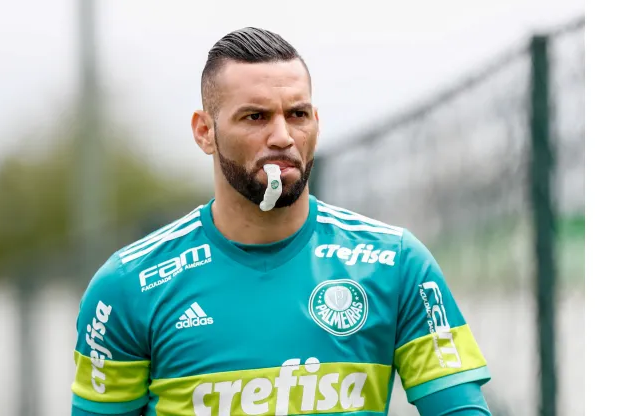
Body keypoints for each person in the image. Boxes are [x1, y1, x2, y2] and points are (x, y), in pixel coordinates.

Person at [71, 27, 492, 416]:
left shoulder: (395, 262)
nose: (282, 137)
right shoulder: (128, 285)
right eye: (255, 117)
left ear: (316, 122)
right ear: (205, 132)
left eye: (297, 114)